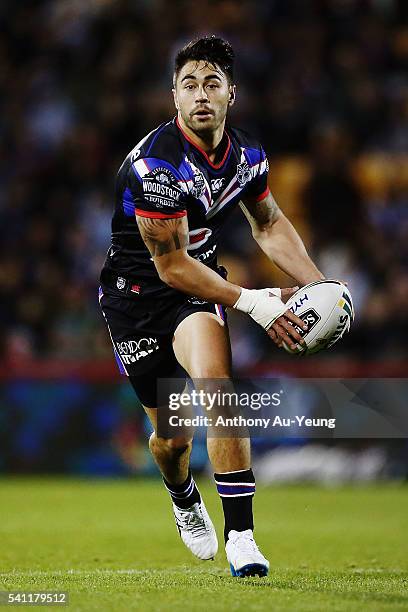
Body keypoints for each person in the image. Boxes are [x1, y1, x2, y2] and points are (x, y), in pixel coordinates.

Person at [99, 36, 324, 577]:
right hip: (136, 299)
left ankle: (242, 536)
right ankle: (181, 495)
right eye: (189, 84)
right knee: (172, 440)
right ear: (173, 95)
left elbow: (267, 223)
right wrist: (256, 303)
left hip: (196, 295)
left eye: (212, 84)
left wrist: (320, 284)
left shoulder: (247, 156)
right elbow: (170, 265)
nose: (201, 94)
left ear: (231, 94)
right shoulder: (156, 165)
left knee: (217, 385)